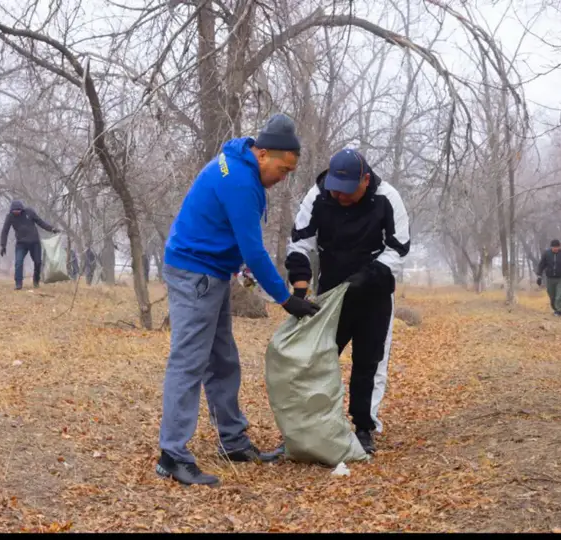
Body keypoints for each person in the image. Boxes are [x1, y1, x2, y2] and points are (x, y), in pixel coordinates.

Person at [157, 114, 321, 487]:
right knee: (188, 362)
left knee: (222, 359)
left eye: (290, 171)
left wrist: (246, 274)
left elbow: (236, 241)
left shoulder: (239, 164)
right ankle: (172, 454)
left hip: (210, 270)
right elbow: (253, 248)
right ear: (262, 154)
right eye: (283, 168)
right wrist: (285, 298)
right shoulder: (242, 183)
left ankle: (231, 440)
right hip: (195, 272)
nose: (284, 178)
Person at [285, 148, 411, 455]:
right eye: (335, 191)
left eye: (347, 191)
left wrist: (367, 277)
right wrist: (300, 292)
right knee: (318, 359)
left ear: (365, 180)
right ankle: (312, 427)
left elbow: (399, 248)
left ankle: (364, 427)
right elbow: (300, 243)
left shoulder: (387, 198)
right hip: (330, 291)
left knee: (369, 362)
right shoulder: (318, 195)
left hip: (374, 292)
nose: (340, 197)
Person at [0, 200, 60, 290]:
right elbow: (5, 231)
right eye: (14, 211)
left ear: (22, 209)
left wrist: (52, 229)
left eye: (18, 210)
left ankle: (36, 280)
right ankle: (18, 283)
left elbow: (40, 222)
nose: (16, 212)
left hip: (34, 242)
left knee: (38, 262)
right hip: (21, 244)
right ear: (11, 211)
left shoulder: (29, 212)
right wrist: (3, 245)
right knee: (18, 262)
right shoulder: (10, 217)